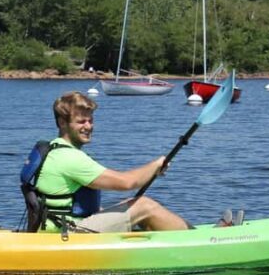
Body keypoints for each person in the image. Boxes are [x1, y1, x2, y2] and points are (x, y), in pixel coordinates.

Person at [34, 91, 188, 232]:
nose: (88, 126)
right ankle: (192, 239)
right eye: (81, 121)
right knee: (143, 205)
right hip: (67, 233)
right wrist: (156, 164)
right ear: (62, 123)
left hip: (56, 226)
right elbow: (127, 182)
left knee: (130, 203)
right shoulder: (70, 158)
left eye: (90, 120)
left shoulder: (52, 148)